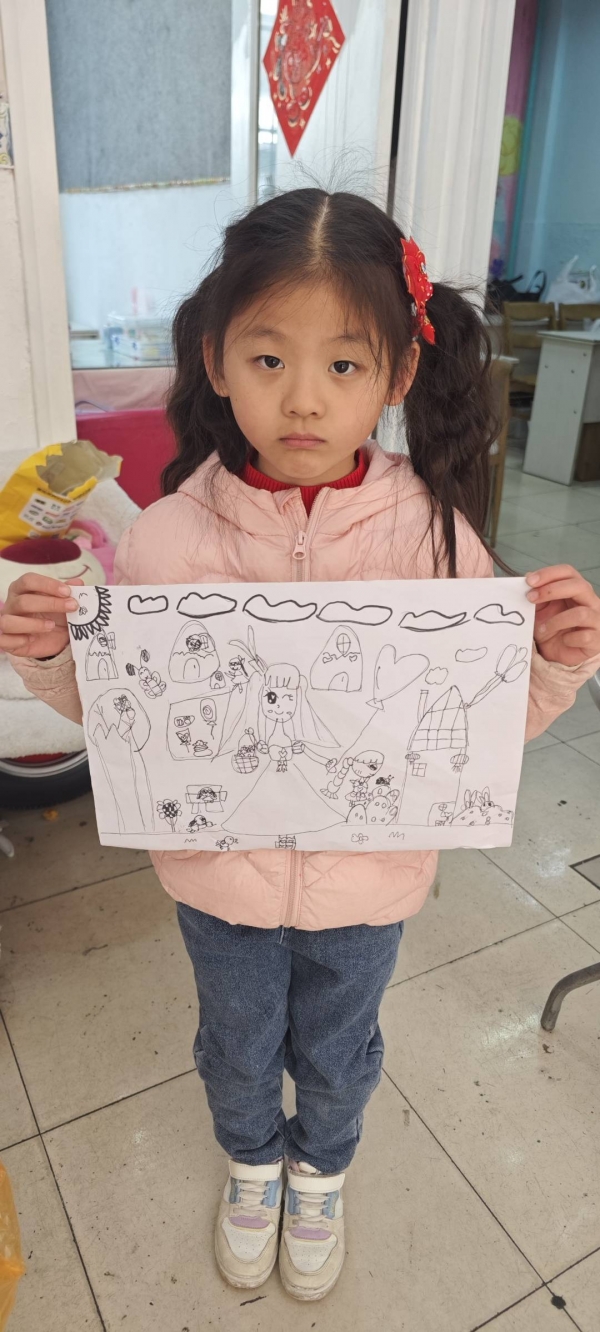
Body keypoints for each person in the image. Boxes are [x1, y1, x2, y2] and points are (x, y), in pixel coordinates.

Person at [2, 188, 600, 1303]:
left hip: (368, 885)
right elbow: (136, 724)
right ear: (217, 360)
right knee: (235, 1043)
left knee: (338, 1045)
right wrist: (52, 658)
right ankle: (251, 1162)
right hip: (217, 882)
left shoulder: (438, 538)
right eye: (270, 359)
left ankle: (320, 1171)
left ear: (398, 373)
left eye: (344, 364)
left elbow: (469, 737)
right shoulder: (168, 537)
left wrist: (552, 667)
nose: (305, 399)